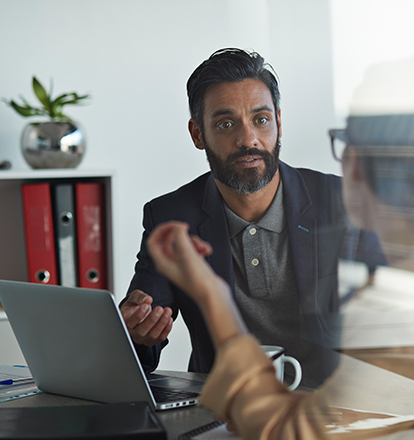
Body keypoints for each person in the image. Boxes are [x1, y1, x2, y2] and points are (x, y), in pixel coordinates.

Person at [143, 60, 414, 437]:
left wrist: (211, 295)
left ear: (357, 165)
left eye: (346, 143)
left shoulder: (403, 303)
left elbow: (282, 427)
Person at [121, 48, 383, 387]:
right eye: (226, 124)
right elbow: (141, 342)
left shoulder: (342, 203)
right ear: (198, 134)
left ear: (278, 122)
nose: (248, 139)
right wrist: (137, 331)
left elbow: (388, 330)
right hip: (225, 414)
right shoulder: (171, 217)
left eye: (260, 120)